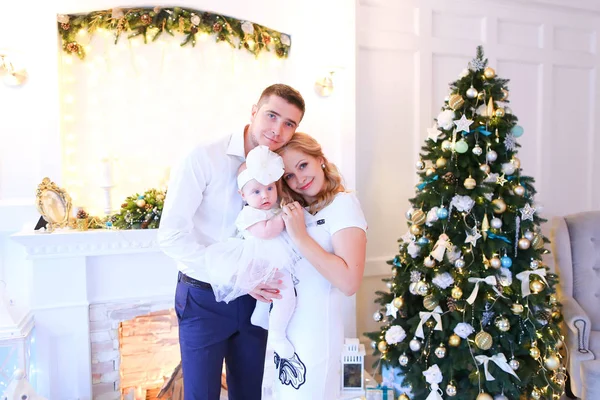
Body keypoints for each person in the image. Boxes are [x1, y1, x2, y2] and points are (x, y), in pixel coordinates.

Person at [157, 84, 305, 400]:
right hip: (204, 299)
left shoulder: (284, 167)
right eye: (272, 115)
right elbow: (170, 236)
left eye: (290, 123)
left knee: (250, 395)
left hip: (257, 300)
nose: (278, 130)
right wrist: (236, 277)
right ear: (254, 111)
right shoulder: (204, 156)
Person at [272, 132, 368, 399]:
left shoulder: (344, 204)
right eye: (289, 175)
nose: (299, 178)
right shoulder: (300, 211)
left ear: (320, 159)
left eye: (302, 165)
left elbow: (349, 282)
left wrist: (301, 238)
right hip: (288, 333)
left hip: (316, 336)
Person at [206, 145, 300, 359]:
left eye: (269, 189)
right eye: (256, 191)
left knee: (273, 295)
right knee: (286, 297)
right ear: (243, 194)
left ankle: (260, 314)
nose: (265, 195)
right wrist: (284, 217)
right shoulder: (249, 215)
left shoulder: (272, 209)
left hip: (273, 260)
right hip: (264, 261)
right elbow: (266, 232)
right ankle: (277, 335)